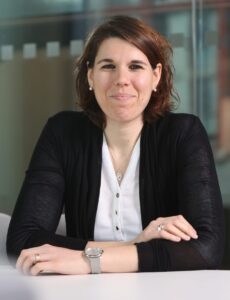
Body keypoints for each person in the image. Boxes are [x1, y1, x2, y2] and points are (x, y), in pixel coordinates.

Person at [7, 15, 224, 275]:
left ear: (156, 76)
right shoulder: (62, 133)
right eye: (108, 66)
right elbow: (22, 240)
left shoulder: (184, 133)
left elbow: (207, 249)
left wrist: (86, 260)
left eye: (135, 66)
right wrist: (134, 244)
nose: (121, 79)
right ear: (90, 76)